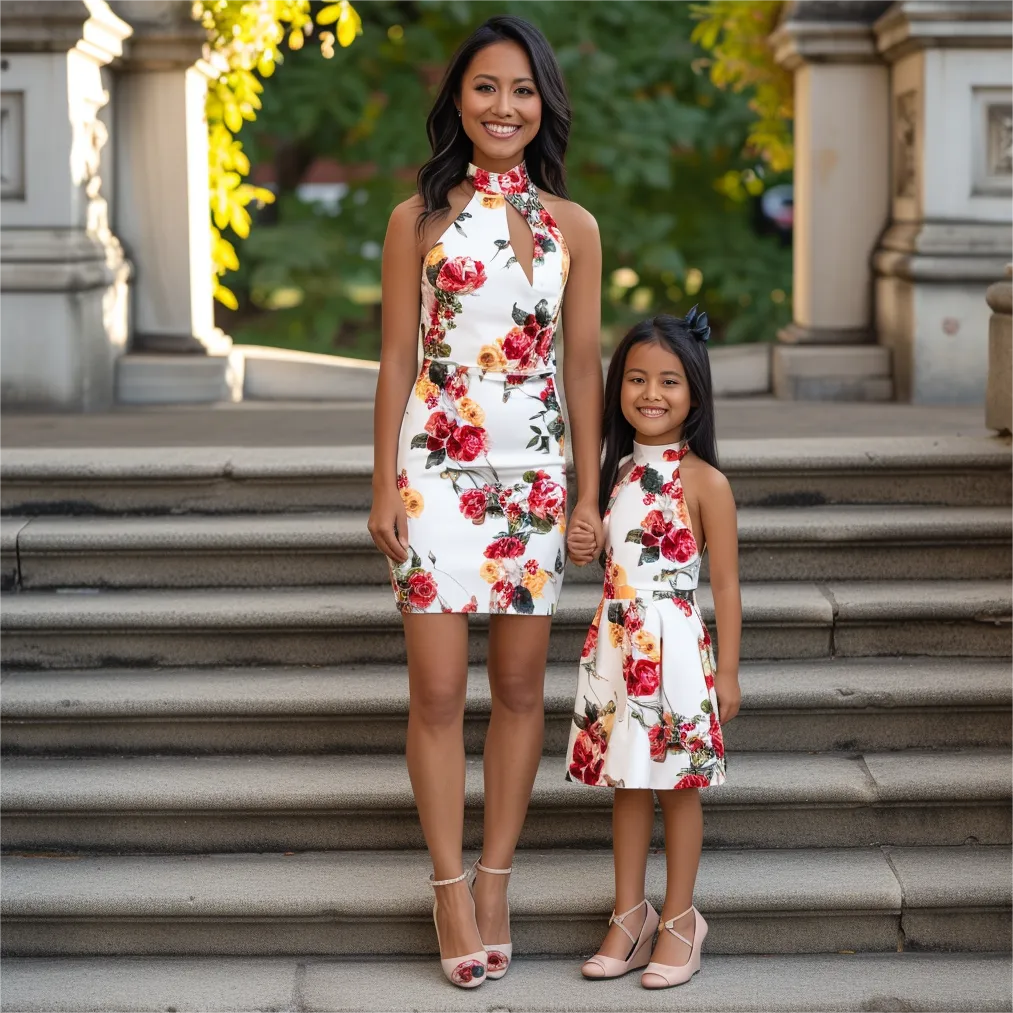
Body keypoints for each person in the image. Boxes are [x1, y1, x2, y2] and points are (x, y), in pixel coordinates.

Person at [367, 15, 604, 989]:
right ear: (456, 103)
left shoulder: (573, 226)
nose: (503, 106)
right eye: (484, 88)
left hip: (534, 473)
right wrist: (379, 477)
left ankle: (494, 876)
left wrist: (591, 488)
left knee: (515, 690)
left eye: (520, 90)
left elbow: (580, 365)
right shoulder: (413, 218)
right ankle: (445, 884)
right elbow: (392, 354)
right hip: (435, 464)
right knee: (434, 689)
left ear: (541, 103)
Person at [565, 311, 741, 989]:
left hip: (672, 651)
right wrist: (585, 541)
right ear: (616, 388)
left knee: (678, 789)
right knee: (627, 787)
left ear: (694, 395)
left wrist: (726, 670)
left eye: (669, 380)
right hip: (615, 648)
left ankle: (679, 918)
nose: (650, 392)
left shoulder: (704, 482)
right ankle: (627, 913)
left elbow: (723, 581)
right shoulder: (610, 474)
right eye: (636, 378)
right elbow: (600, 554)